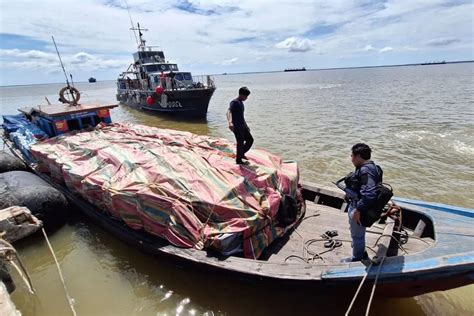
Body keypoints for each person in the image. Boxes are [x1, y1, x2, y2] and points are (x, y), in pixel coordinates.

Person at [342, 143, 383, 262]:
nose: (351, 159)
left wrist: (358, 210)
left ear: (358, 156)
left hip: (359, 208)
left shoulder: (366, 171)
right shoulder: (372, 167)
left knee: (357, 236)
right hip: (358, 204)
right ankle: (361, 251)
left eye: (352, 156)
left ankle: (357, 258)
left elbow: (369, 193)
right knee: (357, 233)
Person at [227, 87, 253, 165]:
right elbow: (228, 112)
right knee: (240, 142)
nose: (247, 98)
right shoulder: (234, 102)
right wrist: (230, 122)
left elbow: (241, 116)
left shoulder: (241, 102)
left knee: (250, 140)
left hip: (243, 126)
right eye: (246, 96)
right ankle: (238, 160)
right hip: (237, 126)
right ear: (241, 94)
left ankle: (241, 153)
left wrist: (246, 126)